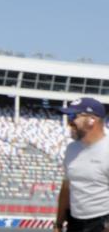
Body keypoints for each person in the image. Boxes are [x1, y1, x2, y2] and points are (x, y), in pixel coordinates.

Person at [55, 97, 109, 232]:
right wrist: (58, 223)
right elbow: (67, 188)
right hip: (74, 223)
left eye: (73, 116)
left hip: (102, 223)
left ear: (92, 120)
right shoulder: (71, 149)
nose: (69, 122)